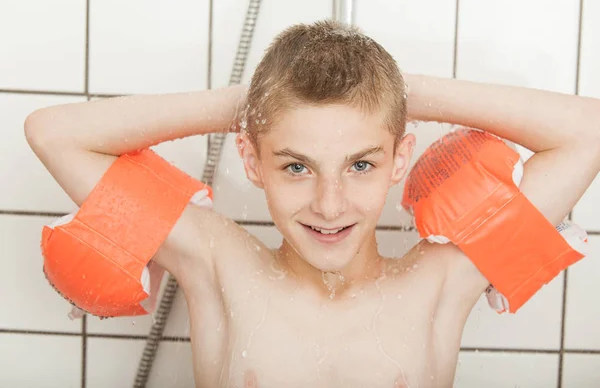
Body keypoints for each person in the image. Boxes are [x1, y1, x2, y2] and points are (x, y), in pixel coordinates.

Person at [25, 20, 600, 387]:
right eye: (296, 166)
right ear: (252, 161)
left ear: (400, 160)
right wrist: (253, 103)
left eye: (361, 164)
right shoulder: (219, 267)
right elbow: (51, 132)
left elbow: (590, 131)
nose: (330, 203)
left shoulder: (439, 284)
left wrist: (401, 93)